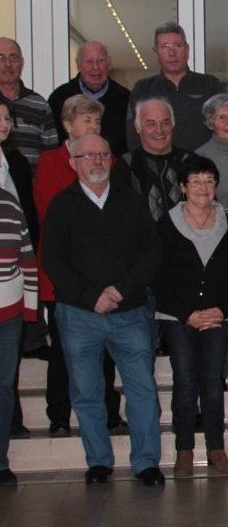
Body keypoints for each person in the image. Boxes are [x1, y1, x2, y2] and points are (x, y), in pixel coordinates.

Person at [43, 133, 164, 486]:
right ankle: (98, 461)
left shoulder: (132, 201)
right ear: (73, 163)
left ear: (111, 160)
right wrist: (90, 296)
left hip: (130, 312)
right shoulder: (61, 205)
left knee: (142, 389)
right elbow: (54, 260)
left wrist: (119, 290)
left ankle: (146, 463)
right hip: (80, 314)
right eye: (87, 155)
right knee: (86, 391)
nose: (96, 161)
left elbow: (151, 252)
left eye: (102, 154)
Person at [34, 96, 125, 438]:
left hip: (106, 275)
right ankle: (59, 414)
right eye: (86, 120)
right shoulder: (50, 162)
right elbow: (51, 215)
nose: (93, 127)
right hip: (65, 276)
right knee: (63, 350)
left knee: (105, 351)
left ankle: (109, 413)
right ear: (68, 125)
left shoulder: (110, 161)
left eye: (97, 122)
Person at [154, 155, 228, 476]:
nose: (203, 187)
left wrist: (225, 308)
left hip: (219, 316)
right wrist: (186, 313)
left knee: (214, 382)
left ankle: (216, 449)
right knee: (186, 382)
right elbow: (158, 277)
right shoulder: (166, 224)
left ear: (216, 185)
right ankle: (184, 450)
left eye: (209, 181)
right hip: (178, 318)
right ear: (182, 187)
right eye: (195, 181)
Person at [127, 22, 222, 152]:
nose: (172, 53)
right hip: (159, 166)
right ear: (156, 52)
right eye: (165, 47)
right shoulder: (143, 89)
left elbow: (222, 128)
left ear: (187, 49)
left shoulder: (209, 84)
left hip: (202, 165)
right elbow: (133, 135)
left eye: (177, 45)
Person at [0, 186, 36, 485]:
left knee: (3, 388)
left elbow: (26, 255)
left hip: (10, 312)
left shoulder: (9, 201)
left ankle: (0, 461)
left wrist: (31, 310)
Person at [48, 40, 130, 155]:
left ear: (109, 64)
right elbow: (52, 142)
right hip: (69, 168)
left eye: (100, 61)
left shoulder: (126, 98)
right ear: (78, 65)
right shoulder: (59, 98)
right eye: (89, 62)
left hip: (113, 168)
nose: (95, 67)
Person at [123, 98, 191, 221]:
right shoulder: (126, 165)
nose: (159, 130)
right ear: (138, 127)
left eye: (165, 123)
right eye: (151, 123)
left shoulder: (190, 161)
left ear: (173, 125)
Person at [0, 37, 59, 167]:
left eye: (13, 58)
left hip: (32, 186)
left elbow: (52, 156)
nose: (8, 64)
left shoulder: (40, 105)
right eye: (1, 58)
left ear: (22, 63)